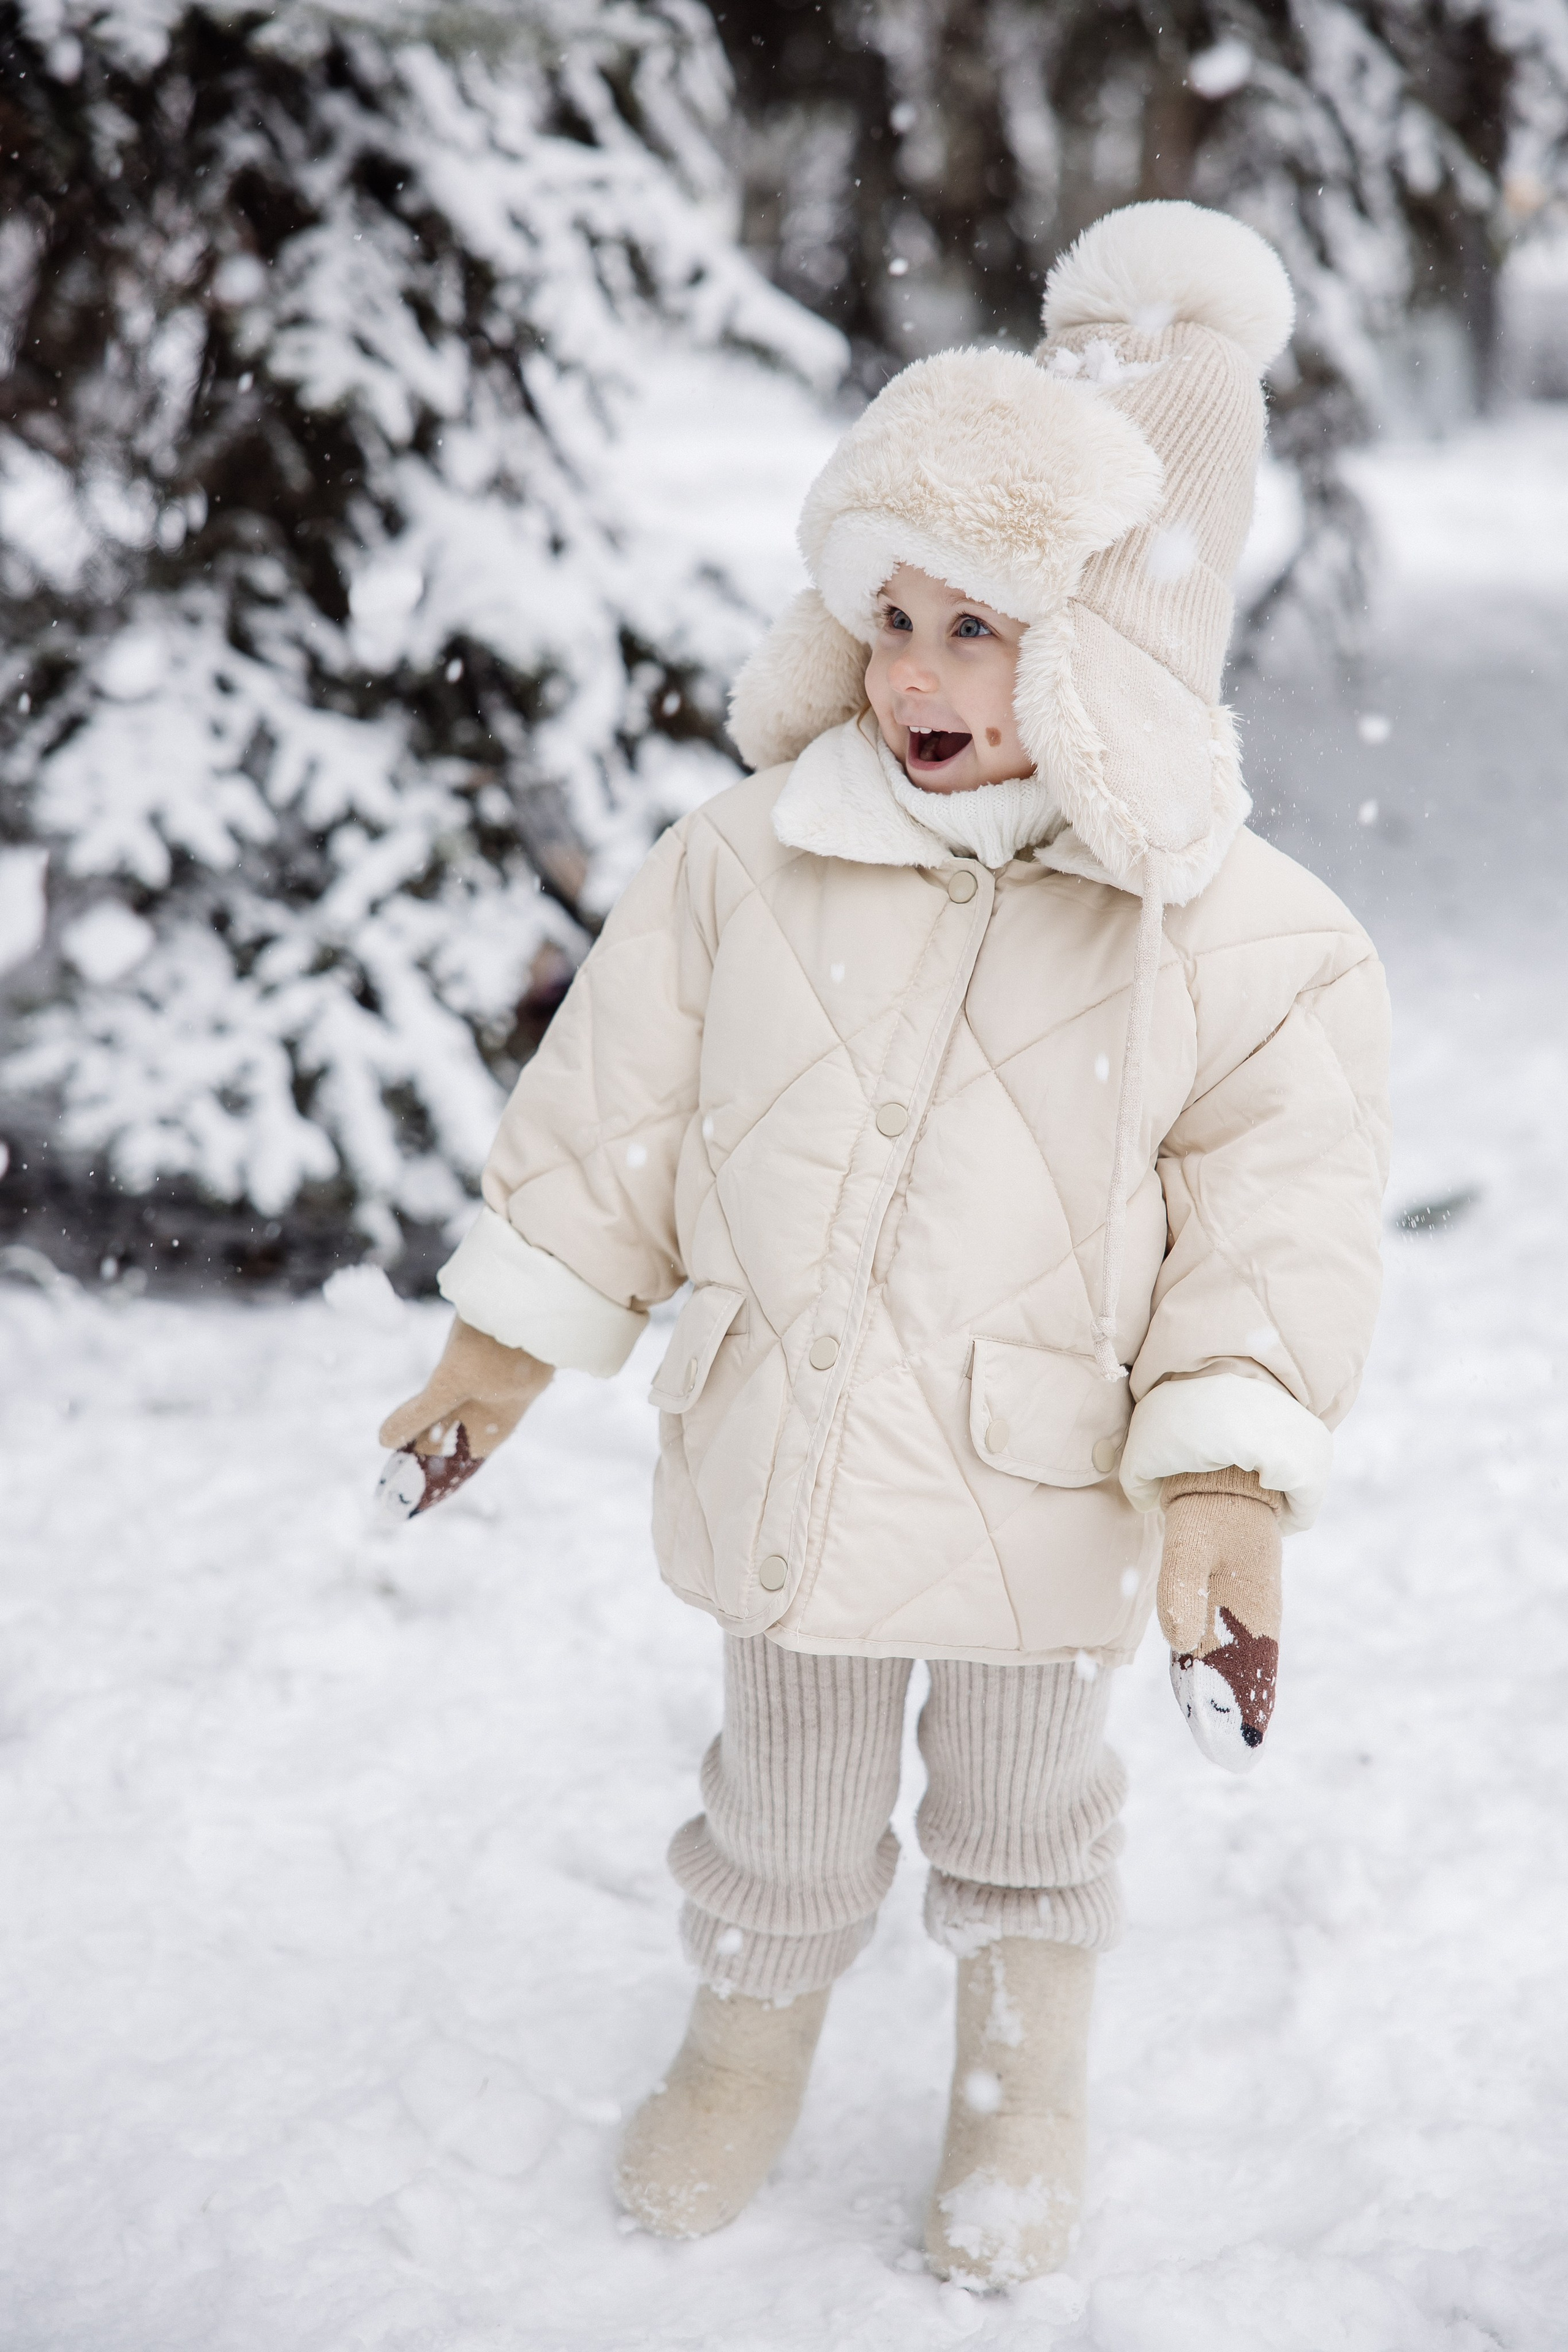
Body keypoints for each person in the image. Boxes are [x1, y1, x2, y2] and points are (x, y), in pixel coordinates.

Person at [375, 199, 1390, 2289]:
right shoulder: (748, 856)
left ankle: (1025, 2090)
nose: (914, 672)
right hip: (797, 1451)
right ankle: (745, 2048)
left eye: (979, 628)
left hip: (1043, 1482)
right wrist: (505, 1345)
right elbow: (615, 1114)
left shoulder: (1251, 942)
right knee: (782, 1804)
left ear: (1104, 652)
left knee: (1028, 1827)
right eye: (892, 618)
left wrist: (1224, 1472)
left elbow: (1275, 1227)